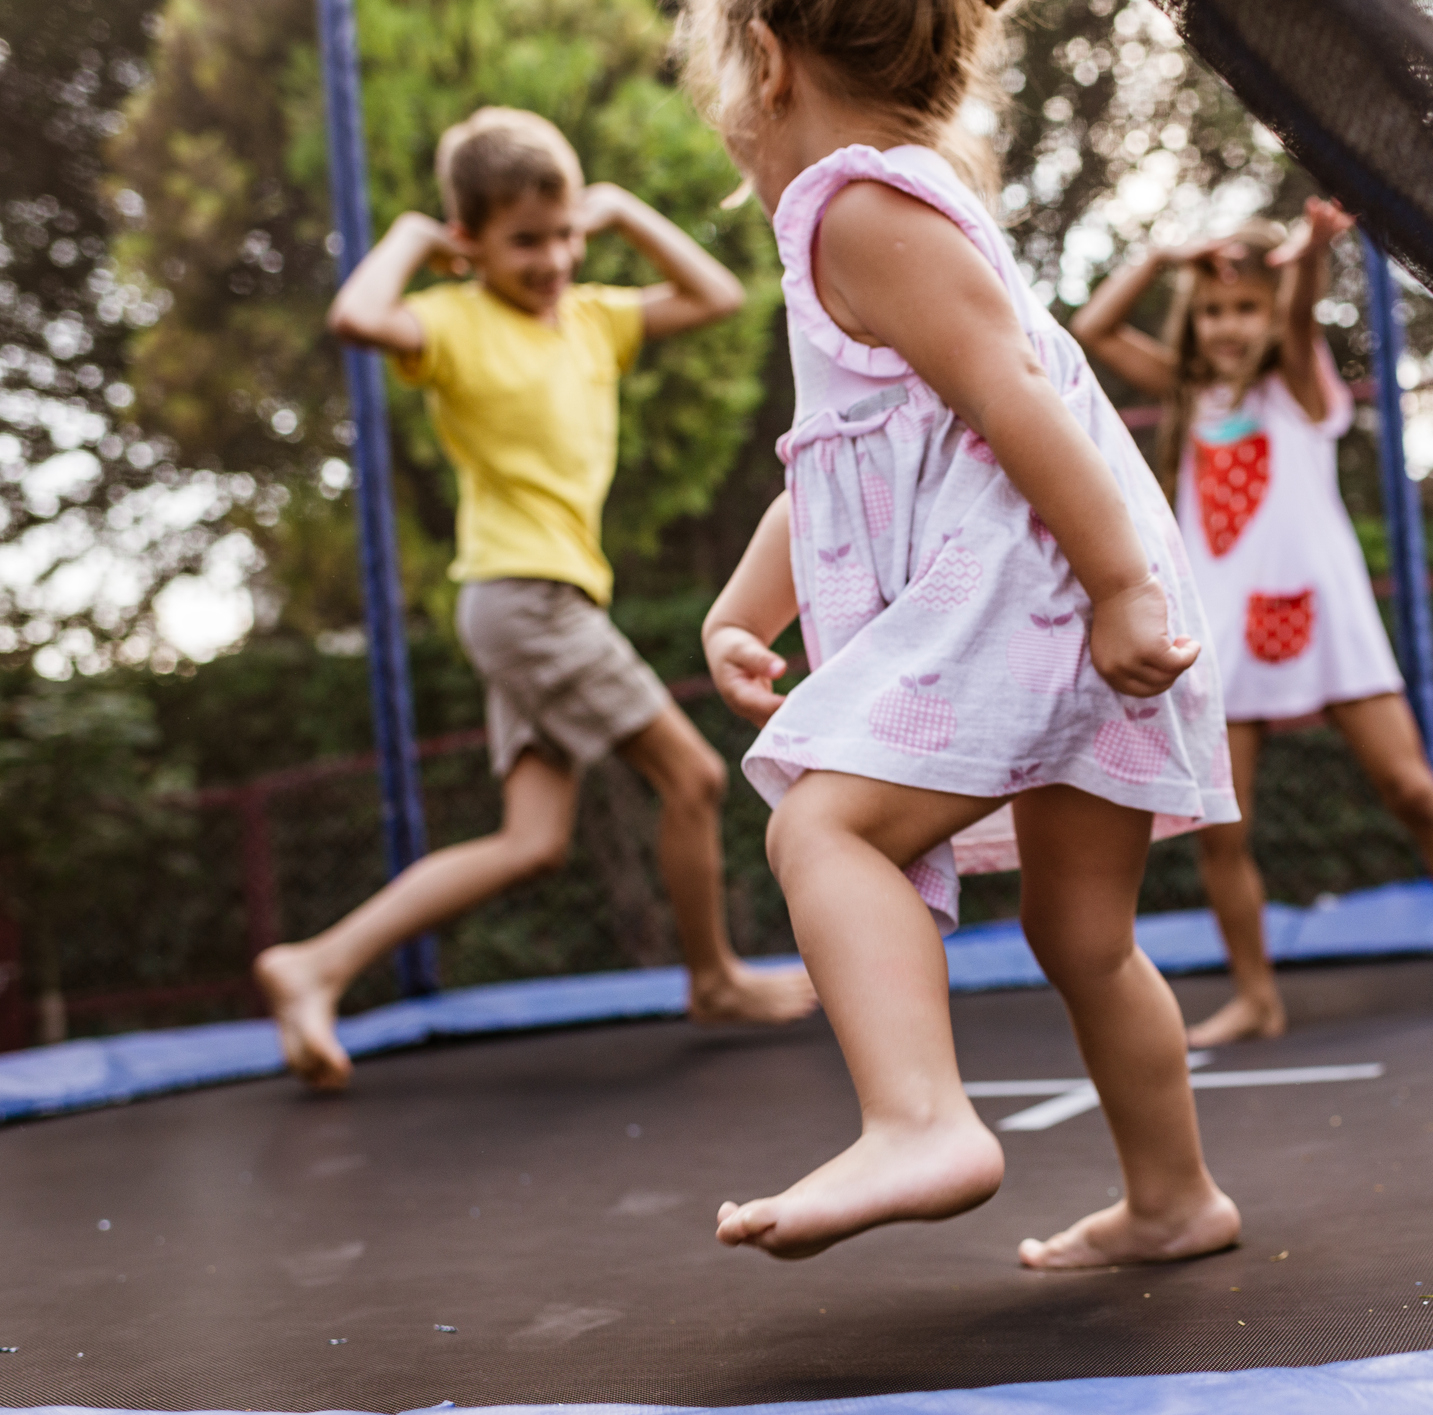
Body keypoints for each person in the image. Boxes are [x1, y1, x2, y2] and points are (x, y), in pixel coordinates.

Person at [676, 0, 1242, 1268]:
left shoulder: (855, 212)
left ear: (767, 62)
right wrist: (739, 607)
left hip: (1043, 589)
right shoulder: (907, 205)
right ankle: (1174, 1197)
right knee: (1082, 932)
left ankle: (920, 1118)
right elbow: (837, 461)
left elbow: (1010, 399)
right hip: (1078, 586)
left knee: (820, 826)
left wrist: (1115, 589)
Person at [255, 106, 816, 1091]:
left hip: (543, 601)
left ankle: (318, 962)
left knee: (532, 840)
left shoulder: (596, 317)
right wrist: (413, 240)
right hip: (525, 599)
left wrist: (623, 212)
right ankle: (714, 976)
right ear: (467, 240)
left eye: (563, 235)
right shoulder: (452, 321)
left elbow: (719, 294)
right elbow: (355, 317)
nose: (553, 257)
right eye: (524, 241)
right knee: (691, 777)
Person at [1071, 200, 1433, 1048]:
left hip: (1326, 619)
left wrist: (1304, 259)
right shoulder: (1190, 395)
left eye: (1246, 309)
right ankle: (1257, 996)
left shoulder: (1300, 387)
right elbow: (1092, 328)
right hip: (1223, 634)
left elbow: (1298, 317)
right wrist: (1160, 255)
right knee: (1222, 827)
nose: (1231, 326)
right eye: (1217, 310)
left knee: (1410, 788)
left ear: (1271, 312)